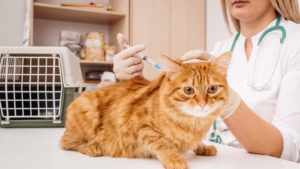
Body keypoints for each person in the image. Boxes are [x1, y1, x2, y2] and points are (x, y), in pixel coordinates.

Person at [112, 0, 300, 162]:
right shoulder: (222, 47)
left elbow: (288, 150)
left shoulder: (295, 42)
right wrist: (132, 82)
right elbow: (170, 117)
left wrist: (229, 102)